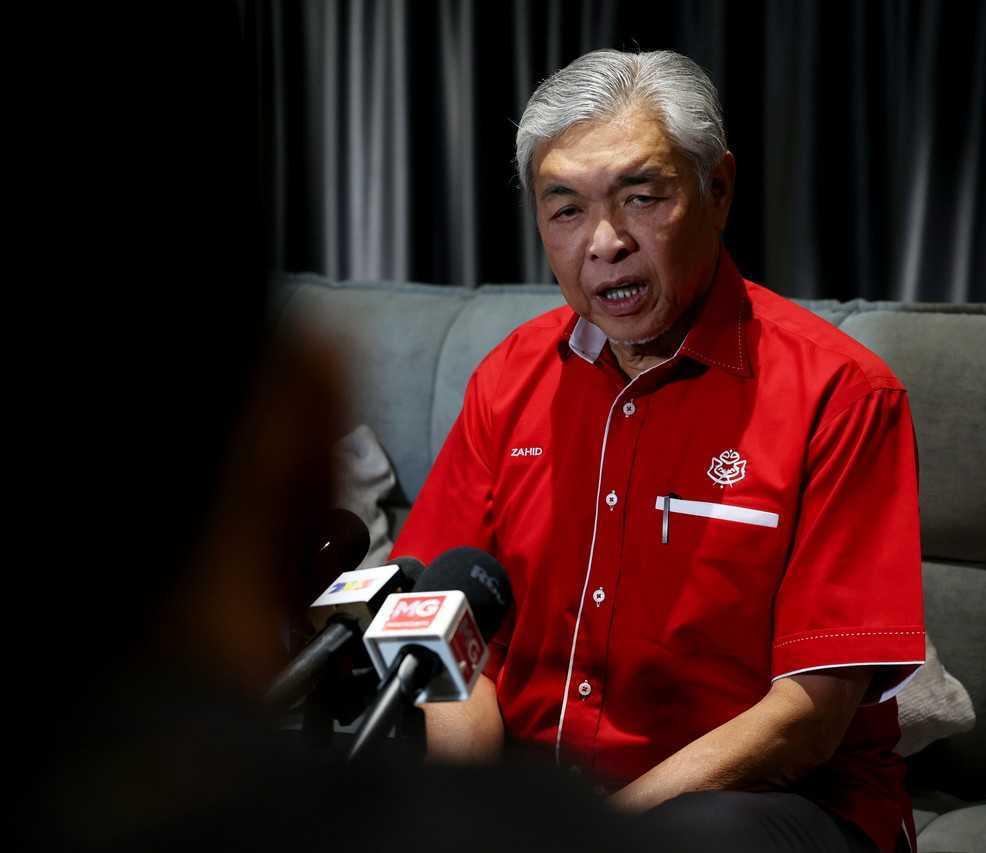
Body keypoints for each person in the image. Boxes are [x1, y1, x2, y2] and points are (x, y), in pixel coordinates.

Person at [393, 49, 925, 853]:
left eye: (642, 198)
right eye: (565, 209)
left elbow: (809, 716)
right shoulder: (509, 378)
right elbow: (443, 632)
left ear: (719, 189)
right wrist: (474, 813)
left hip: (761, 803)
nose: (605, 242)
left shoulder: (844, 395)